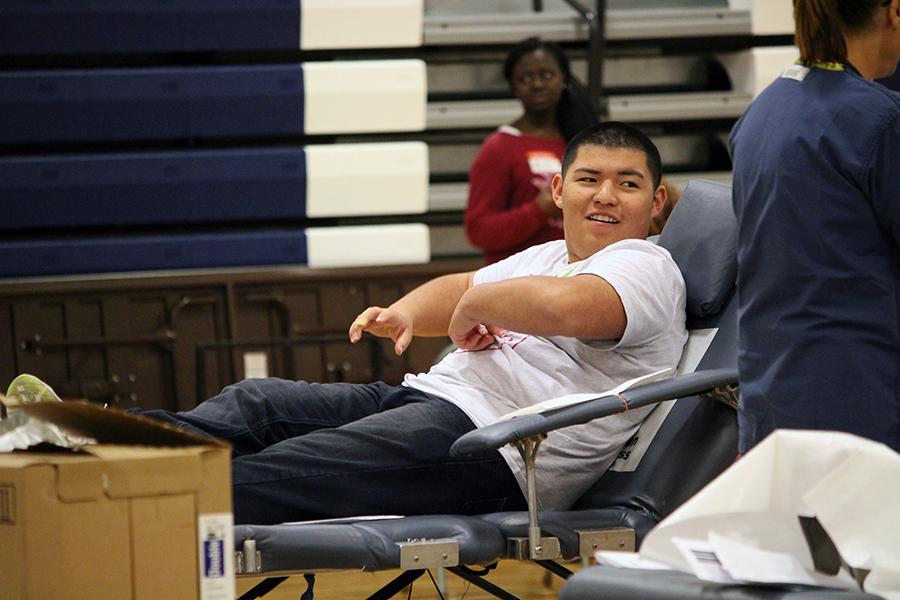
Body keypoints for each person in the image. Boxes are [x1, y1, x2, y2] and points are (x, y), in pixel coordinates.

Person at [6, 123, 686, 526]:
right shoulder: (548, 253)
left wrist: (476, 308)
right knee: (257, 402)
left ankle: (85, 497)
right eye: (590, 178)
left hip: (496, 449)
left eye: (627, 184)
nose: (605, 195)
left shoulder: (646, 267)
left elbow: (565, 308)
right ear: (559, 191)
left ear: (656, 204)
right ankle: (74, 437)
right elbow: (464, 284)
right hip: (435, 402)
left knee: (281, 470)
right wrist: (410, 313)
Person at [730, 0, 900, 453]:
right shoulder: (878, 119)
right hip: (861, 400)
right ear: (894, 13)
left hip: (772, 395)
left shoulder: (762, 110)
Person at [465, 37, 597, 264]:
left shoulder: (584, 139)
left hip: (576, 272)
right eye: (525, 78)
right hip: (517, 279)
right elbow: (479, 230)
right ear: (513, 86)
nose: (537, 84)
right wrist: (539, 210)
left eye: (546, 75)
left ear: (563, 78)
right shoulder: (500, 147)